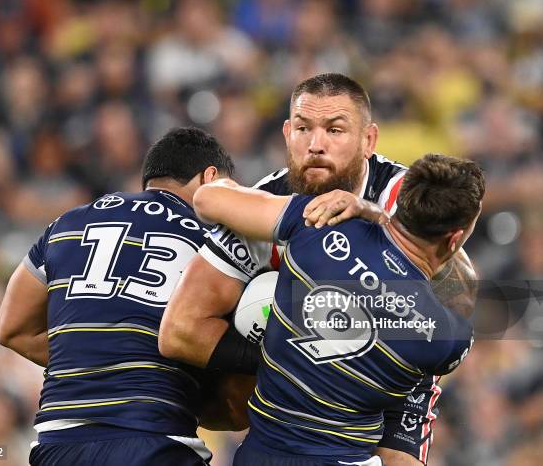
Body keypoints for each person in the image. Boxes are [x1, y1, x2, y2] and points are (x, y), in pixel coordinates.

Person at [159, 73, 477, 465]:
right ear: (287, 133)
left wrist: (372, 216)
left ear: (368, 141)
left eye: (335, 130)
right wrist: (295, 360)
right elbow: (181, 331)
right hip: (285, 389)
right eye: (304, 129)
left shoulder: (401, 196)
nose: (316, 145)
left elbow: (462, 295)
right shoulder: (271, 202)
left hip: (397, 375)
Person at [0, 127, 236, 466]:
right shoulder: (215, 243)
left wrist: (94, 360)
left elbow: (12, 328)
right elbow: (233, 407)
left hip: (58, 442)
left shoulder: (67, 222)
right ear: (210, 177)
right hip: (154, 439)